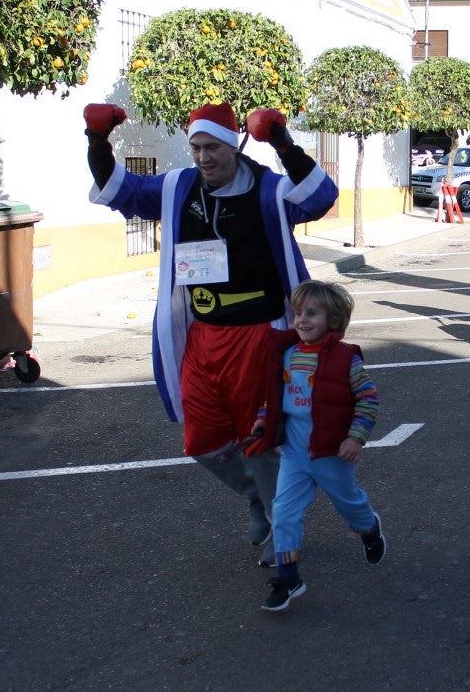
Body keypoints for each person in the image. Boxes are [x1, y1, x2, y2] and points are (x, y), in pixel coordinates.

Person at [82, 100, 339, 567]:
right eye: (196, 147)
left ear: (234, 147)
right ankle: (257, 499)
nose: (203, 158)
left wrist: (281, 141)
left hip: (260, 335)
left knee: (261, 442)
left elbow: (320, 198)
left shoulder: (268, 190)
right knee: (201, 442)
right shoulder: (178, 188)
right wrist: (97, 141)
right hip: (203, 336)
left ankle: (285, 538)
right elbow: (116, 187)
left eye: (213, 148)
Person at [250, 280, 384, 612]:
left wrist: (356, 437)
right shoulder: (287, 354)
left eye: (312, 313)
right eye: (298, 313)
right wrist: (263, 418)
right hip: (295, 455)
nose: (302, 320)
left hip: (331, 454)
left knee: (350, 506)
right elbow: (274, 397)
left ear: (333, 320)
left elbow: (368, 399)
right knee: (283, 512)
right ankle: (289, 577)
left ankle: (369, 529)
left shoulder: (345, 359)